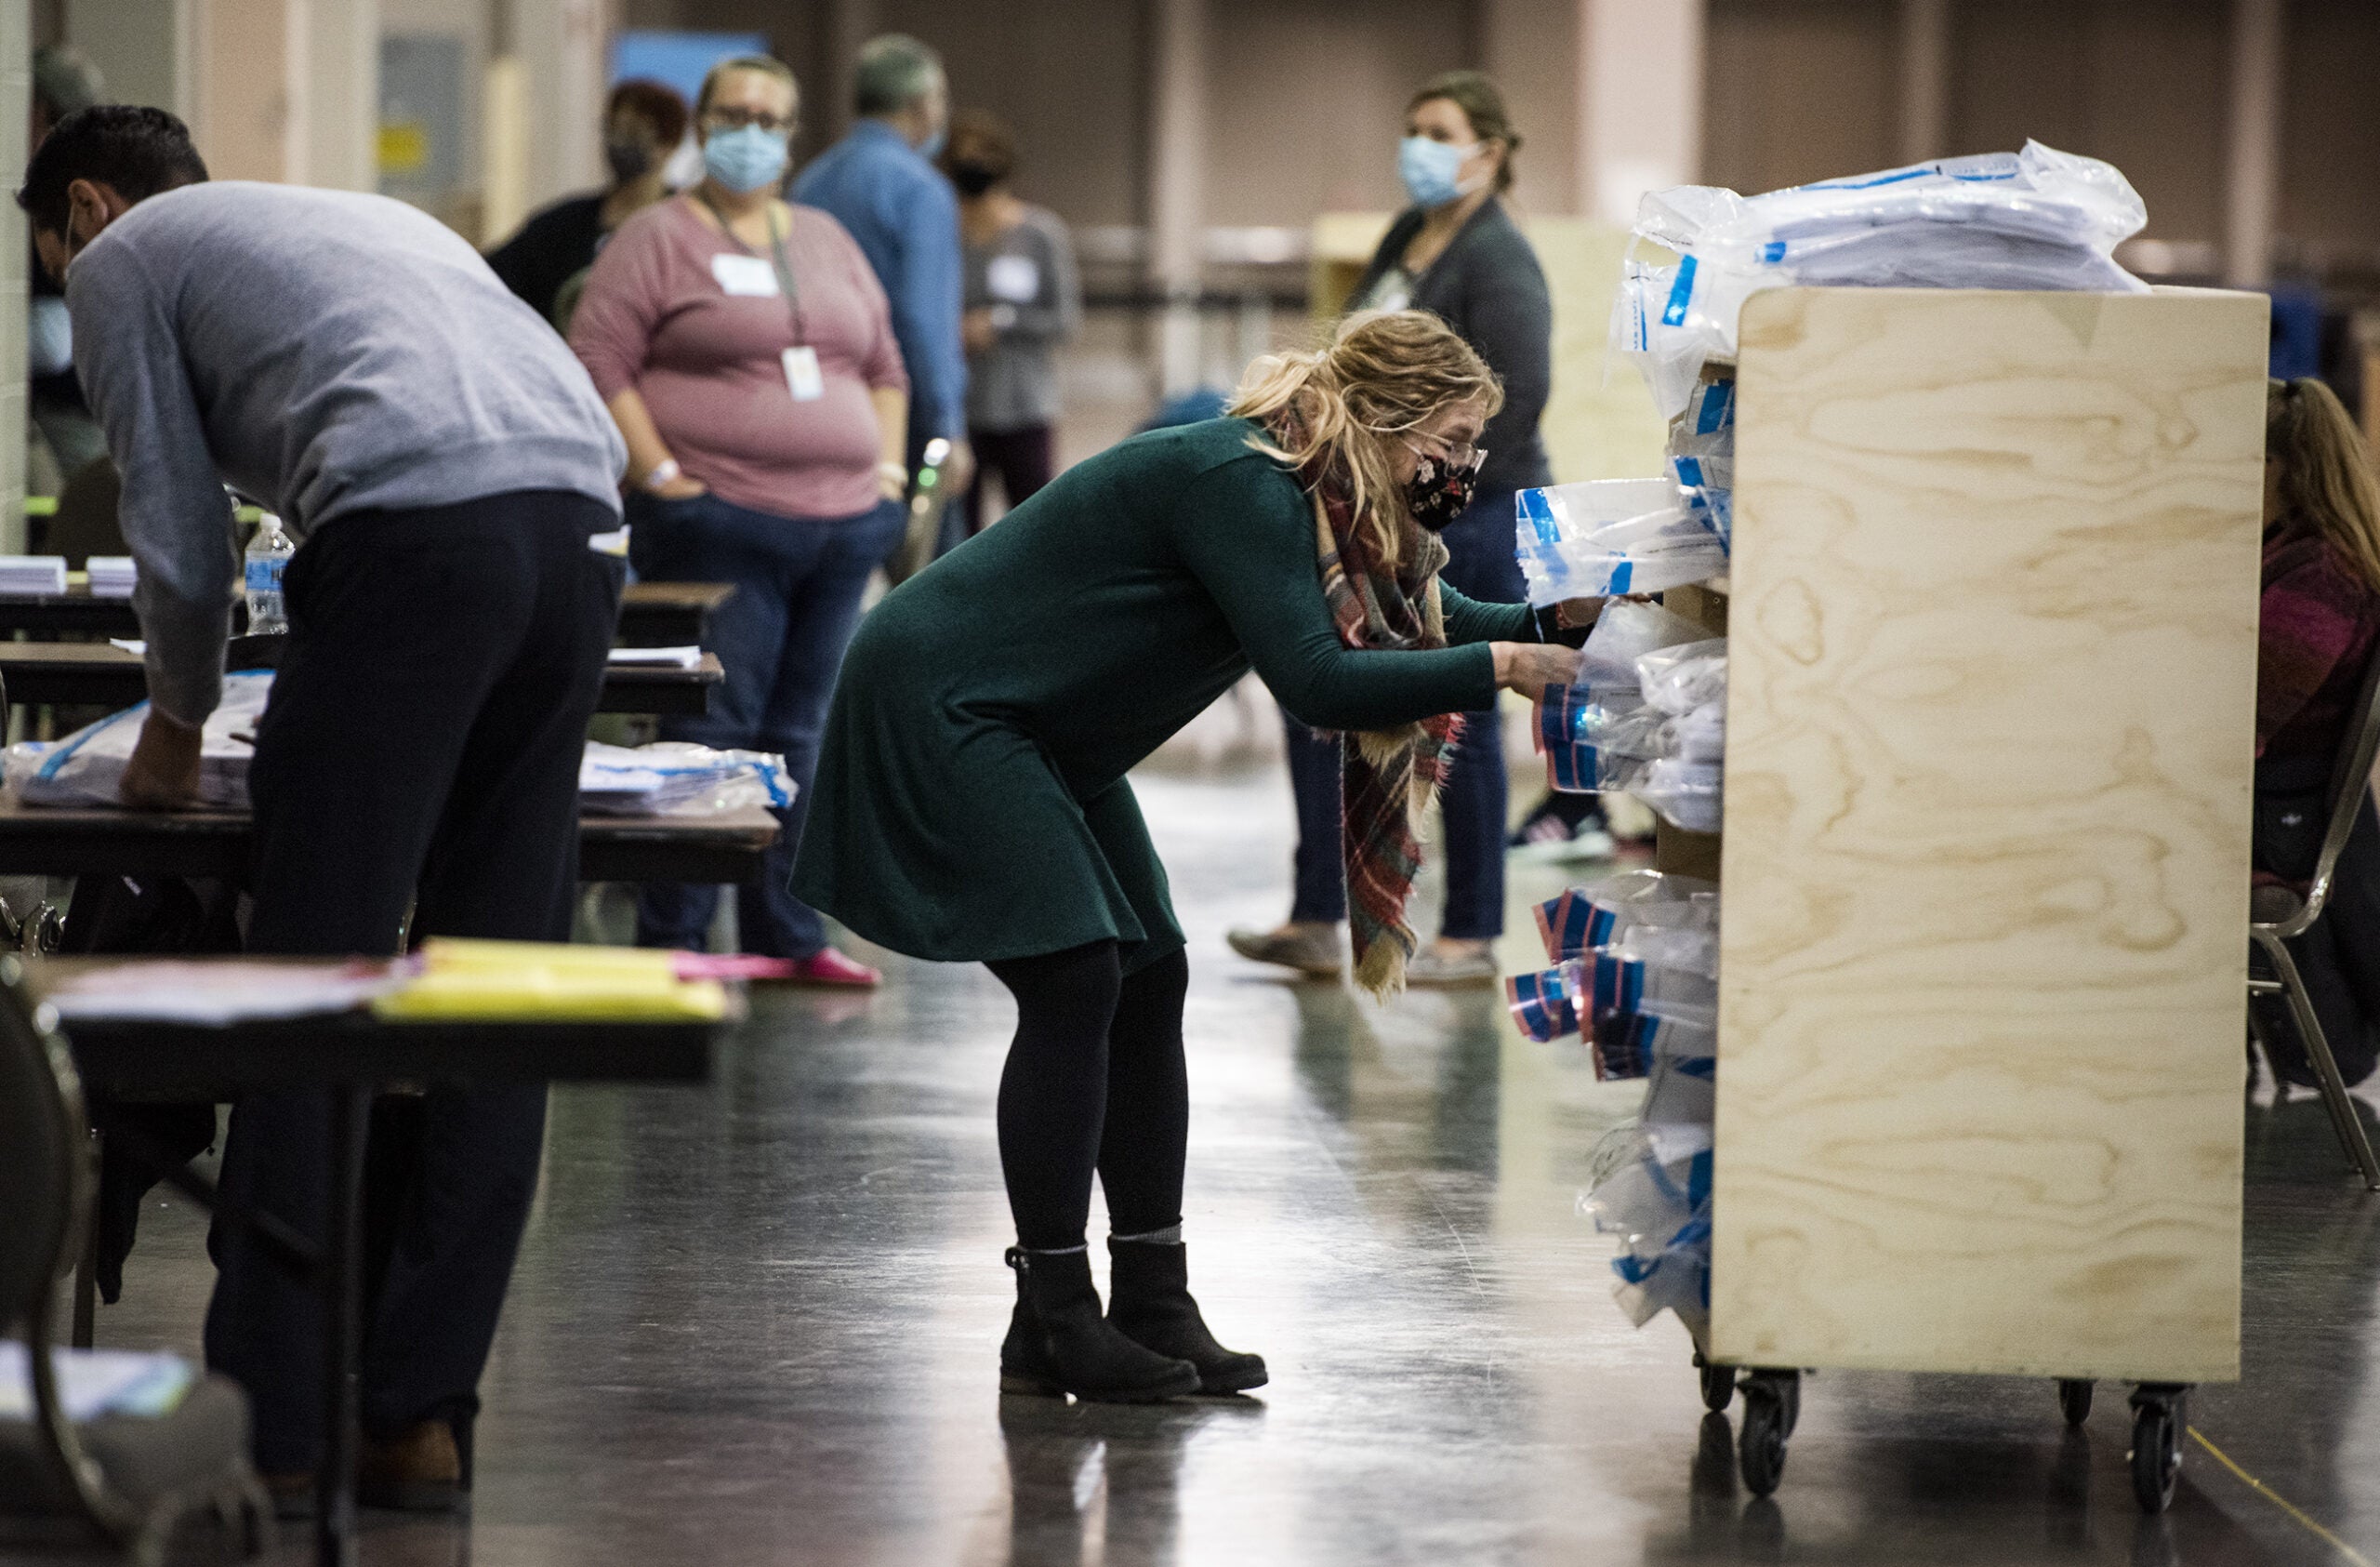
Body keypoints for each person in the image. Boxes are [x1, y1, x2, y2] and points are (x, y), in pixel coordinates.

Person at [792, 311, 1593, 1400]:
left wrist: (1568, 618)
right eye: (1447, 446)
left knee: (1147, 970)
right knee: (1075, 972)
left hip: (1044, 726)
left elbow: (1427, 610)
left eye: (1471, 451)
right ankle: (1055, 1312)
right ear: (1384, 419)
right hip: (950, 702)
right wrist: (1503, 661)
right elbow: (1315, 680)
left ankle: (1154, 1295)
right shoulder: (1247, 480)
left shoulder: (1332, 496)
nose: (1457, 473)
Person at [20, 105, 628, 1502]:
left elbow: (173, 527)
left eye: (52, 261)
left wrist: (175, 729)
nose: (68, 291)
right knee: (490, 989)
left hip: (420, 536)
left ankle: (274, 1428)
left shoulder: (124, 262)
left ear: (87, 212)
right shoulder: (359, 222)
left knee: (310, 983)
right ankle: (417, 1418)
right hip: (581, 532)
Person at [571, 55, 909, 986]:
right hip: (718, 523)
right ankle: (675, 939)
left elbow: (885, 365)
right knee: (718, 729)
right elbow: (599, 360)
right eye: (731, 112)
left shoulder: (828, 239)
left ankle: (786, 934)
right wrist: (664, 473)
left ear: (792, 132)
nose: (749, 127)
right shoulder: (656, 236)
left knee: (802, 734)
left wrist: (886, 476)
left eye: (768, 113)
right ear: (704, 125)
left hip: (843, 527)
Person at [1226, 71, 1556, 987]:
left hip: (1470, 511)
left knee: (1462, 714)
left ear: (1486, 151)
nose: (1416, 145)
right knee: (1322, 697)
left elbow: (1516, 399)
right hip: (1372, 503)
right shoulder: (1411, 233)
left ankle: (1470, 930)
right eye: (1410, 127)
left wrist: (1431, 490)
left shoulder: (1499, 257)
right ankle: (1317, 913)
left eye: (1437, 130)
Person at [2252, 377, 2380, 1090]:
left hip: (2273, 828)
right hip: (2271, 811)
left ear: (2283, 469)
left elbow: (2240, 723)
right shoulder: (2291, 554)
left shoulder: (2320, 578)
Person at [793, 33, 972, 533]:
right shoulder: (920, 190)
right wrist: (946, 430)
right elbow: (922, 319)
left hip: (821, 402)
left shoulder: (810, 182)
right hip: (906, 413)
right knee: (933, 584)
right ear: (920, 104)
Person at [943, 110, 1080, 533]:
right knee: (960, 536)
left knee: (1036, 527)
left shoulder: (1040, 235)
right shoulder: (943, 234)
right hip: (961, 411)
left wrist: (998, 323)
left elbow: (1064, 320)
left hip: (1025, 408)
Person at [484, 77, 688, 328]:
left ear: (669, 143)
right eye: (612, 129)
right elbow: (491, 277)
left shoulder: (690, 227)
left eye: (634, 132)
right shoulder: (563, 226)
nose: (619, 142)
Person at [26, 44, 107, 488]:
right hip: (80, 404)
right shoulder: (97, 180)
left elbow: (55, 337)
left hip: (71, 412)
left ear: (41, 111)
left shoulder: (67, 191)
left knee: (89, 523)